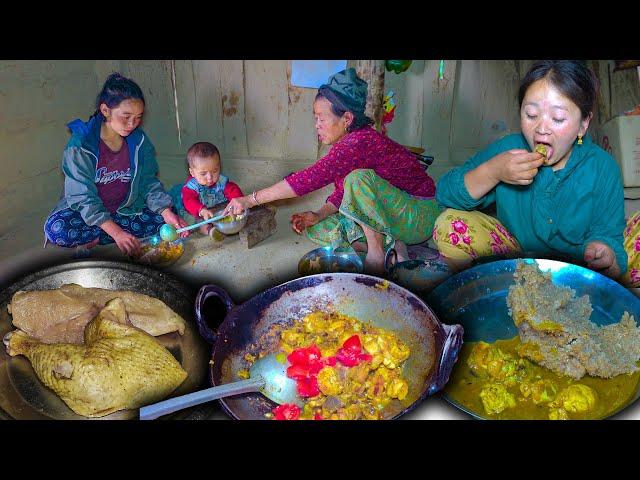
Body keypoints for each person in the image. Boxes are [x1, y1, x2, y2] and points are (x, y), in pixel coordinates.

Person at [222, 68, 440, 275]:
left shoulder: (360, 142)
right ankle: (394, 244)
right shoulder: (350, 144)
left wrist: (250, 200)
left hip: (419, 214)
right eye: (315, 118)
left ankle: (376, 253)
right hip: (397, 214)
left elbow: (308, 180)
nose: (317, 125)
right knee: (318, 228)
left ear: (346, 119)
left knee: (357, 179)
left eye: (322, 119)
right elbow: (342, 193)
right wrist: (317, 215)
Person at [434, 60, 628, 281]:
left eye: (558, 118)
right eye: (531, 115)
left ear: (583, 124)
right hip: (514, 261)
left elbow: (608, 234)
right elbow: (444, 193)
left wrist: (604, 251)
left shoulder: (603, 167)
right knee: (450, 224)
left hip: (579, 271)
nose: (542, 129)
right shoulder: (508, 150)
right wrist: (493, 171)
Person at [44, 72, 188, 257]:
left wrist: (166, 212)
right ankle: (112, 233)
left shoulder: (139, 142)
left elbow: (148, 183)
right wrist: (117, 232)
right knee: (58, 229)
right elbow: (82, 197)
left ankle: (101, 237)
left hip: (125, 209)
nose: (132, 124)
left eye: (138, 117)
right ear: (105, 110)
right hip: (89, 214)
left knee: (168, 215)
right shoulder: (81, 145)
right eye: (126, 116)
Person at [168, 141, 244, 235]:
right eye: (203, 174)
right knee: (196, 222)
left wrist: (237, 201)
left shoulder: (221, 181)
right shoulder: (191, 187)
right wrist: (201, 210)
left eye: (215, 171)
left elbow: (233, 189)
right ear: (192, 172)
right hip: (198, 212)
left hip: (217, 210)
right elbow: (189, 201)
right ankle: (210, 231)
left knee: (229, 214)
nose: (210, 177)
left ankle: (220, 226)